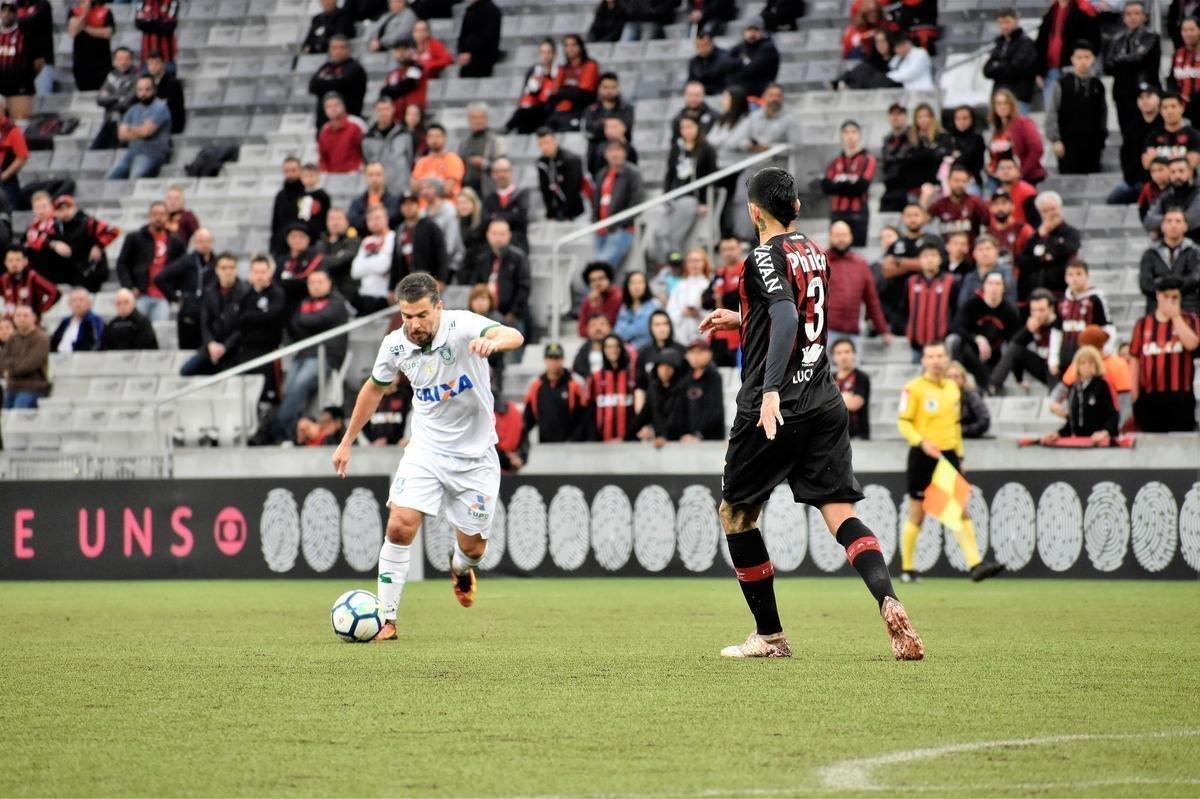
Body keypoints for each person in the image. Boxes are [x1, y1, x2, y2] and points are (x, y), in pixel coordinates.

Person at [696, 166, 924, 660]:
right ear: (795, 208)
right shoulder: (813, 251)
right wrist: (742, 319)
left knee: (736, 513)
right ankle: (887, 598)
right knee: (841, 513)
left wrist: (771, 389)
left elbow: (784, 314)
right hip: (823, 399)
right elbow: (797, 313)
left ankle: (771, 636)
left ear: (754, 211)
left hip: (773, 406)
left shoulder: (761, 254)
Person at [333, 273, 523, 635]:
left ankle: (460, 566)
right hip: (426, 451)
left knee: (474, 548)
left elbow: (513, 335)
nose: (414, 324)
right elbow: (374, 390)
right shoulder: (394, 345)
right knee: (400, 525)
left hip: (476, 458)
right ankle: (386, 620)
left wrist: (493, 343)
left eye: (422, 315)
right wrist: (346, 441)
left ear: (439, 307)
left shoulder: (463, 324)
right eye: (407, 316)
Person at [896, 340, 1004, 584]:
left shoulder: (953, 389)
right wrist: (921, 441)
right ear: (923, 361)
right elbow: (903, 422)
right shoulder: (913, 388)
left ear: (946, 359)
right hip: (922, 456)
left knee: (960, 509)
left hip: (949, 455)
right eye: (930, 356)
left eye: (939, 356)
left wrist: (960, 455)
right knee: (917, 514)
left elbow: (955, 426)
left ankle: (975, 565)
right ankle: (908, 568)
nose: (935, 361)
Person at [255, 269, 350, 445]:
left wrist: (306, 320)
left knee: (299, 387)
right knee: (288, 390)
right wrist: (306, 321)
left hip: (326, 355)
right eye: (311, 282)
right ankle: (289, 431)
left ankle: (280, 430)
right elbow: (295, 324)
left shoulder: (337, 303)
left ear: (329, 283)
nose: (315, 286)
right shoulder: (305, 302)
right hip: (304, 354)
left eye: (319, 281)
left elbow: (315, 320)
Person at [1129, 276, 1200, 432]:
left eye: (1174, 297)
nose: (1170, 301)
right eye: (1166, 296)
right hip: (1150, 396)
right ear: (1157, 296)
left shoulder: (1191, 320)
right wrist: (1133, 392)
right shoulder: (1142, 324)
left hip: (1180, 395)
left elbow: (1192, 344)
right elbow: (1134, 358)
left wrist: (1175, 316)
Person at [115, 201, 185, 322]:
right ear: (149, 216)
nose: (158, 218)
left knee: (159, 333)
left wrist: (174, 292)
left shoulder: (176, 241)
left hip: (164, 296)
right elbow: (122, 264)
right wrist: (130, 287)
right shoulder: (134, 238)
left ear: (167, 217)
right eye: (155, 214)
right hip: (141, 294)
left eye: (162, 214)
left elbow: (182, 267)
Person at [824, 221, 889, 350]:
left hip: (853, 332)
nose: (841, 239)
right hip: (826, 332)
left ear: (851, 237)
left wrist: (883, 330)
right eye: (837, 235)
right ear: (830, 237)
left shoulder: (861, 264)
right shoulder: (820, 262)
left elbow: (872, 301)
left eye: (844, 235)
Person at [880, 203, 943, 336]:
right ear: (903, 218)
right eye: (908, 215)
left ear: (924, 217)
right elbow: (887, 270)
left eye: (916, 215)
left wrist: (900, 262)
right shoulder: (897, 244)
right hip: (900, 303)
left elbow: (933, 265)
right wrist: (917, 264)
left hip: (929, 299)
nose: (912, 219)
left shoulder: (934, 240)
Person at [1045, 41, 1107, 175]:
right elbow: (1052, 112)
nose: (1083, 61)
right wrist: (1055, 140)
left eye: (1087, 57)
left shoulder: (1098, 85)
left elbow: (1103, 113)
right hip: (1067, 144)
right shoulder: (1061, 83)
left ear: (1093, 59)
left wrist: (1102, 139)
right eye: (1079, 57)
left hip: (1092, 145)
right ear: (1072, 59)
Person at [180, 253, 246, 376]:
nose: (228, 272)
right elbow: (204, 323)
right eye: (224, 268)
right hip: (210, 347)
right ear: (217, 270)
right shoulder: (209, 291)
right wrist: (210, 344)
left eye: (231, 268)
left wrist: (224, 347)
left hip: (233, 350)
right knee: (187, 370)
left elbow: (241, 328)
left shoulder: (243, 292)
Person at [1105, 2, 1160, 145]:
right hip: (1122, 92)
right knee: (1127, 134)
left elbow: (1141, 60)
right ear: (1123, 18)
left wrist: (1121, 60)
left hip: (1144, 92)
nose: (1132, 17)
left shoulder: (1151, 37)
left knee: (1147, 134)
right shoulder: (1116, 39)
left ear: (1144, 16)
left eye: (1136, 13)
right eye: (1128, 14)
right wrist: (1127, 60)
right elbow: (1108, 66)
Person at [463, 219, 531, 335]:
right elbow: (475, 285)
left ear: (509, 235)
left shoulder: (518, 258)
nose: (498, 238)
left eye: (502, 234)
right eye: (495, 234)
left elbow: (524, 287)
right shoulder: (482, 259)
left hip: (512, 316)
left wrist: (514, 313)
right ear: (488, 235)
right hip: (485, 316)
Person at [953, 271, 1019, 389]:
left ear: (1004, 288)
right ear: (983, 286)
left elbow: (1014, 342)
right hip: (969, 353)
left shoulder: (1009, 311)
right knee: (953, 340)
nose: (993, 287)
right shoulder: (972, 304)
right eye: (990, 283)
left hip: (993, 357)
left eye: (998, 284)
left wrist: (1019, 377)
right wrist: (977, 338)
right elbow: (957, 327)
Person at [987, 288, 1060, 393]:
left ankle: (1056, 394)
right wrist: (1027, 331)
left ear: (1051, 309)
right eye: (1034, 310)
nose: (1037, 314)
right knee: (1015, 348)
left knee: (1053, 363)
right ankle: (992, 386)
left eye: (1041, 310)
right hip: (1043, 368)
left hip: (1059, 369)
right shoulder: (1033, 324)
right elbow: (1014, 346)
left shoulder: (1060, 323)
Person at [1042, 345, 1117, 445]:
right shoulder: (1073, 388)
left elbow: (1113, 415)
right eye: (1083, 363)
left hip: (1098, 441)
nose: (1087, 366)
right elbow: (1072, 422)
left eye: (1091, 363)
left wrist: (1105, 432)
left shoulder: (1102, 385)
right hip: (1080, 441)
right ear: (1077, 366)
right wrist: (1058, 433)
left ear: (1096, 365)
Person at [153, 227, 213, 350]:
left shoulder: (217, 263)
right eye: (201, 241)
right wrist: (176, 299)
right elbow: (160, 278)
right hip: (189, 315)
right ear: (195, 243)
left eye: (207, 241)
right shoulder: (187, 261)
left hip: (211, 315)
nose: (205, 245)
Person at [1034, 0, 1101, 109]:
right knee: (1052, 113)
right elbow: (1041, 44)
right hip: (1051, 72)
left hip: (1074, 70)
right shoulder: (1051, 12)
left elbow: (1093, 42)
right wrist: (1039, 71)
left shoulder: (1084, 11)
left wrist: (1082, 62)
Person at [1017, 191, 1079, 302]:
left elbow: (1065, 250)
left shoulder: (1071, 233)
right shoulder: (1036, 236)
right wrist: (1041, 238)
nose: (1050, 214)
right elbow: (1022, 261)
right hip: (1035, 292)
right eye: (1045, 211)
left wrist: (1042, 255)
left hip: (1061, 292)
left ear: (1060, 208)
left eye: (1053, 209)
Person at [821, 120, 876, 247]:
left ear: (859, 135)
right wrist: (848, 184)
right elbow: (826, 187)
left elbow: (861, 187)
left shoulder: (868, 159)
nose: (850, 136)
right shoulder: (835, 162)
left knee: (857, 252)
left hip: (858, 214)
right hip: (837, 213)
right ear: (841, 136)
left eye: (853, 132)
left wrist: (839, 184)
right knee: (835, 252)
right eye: (846, 132)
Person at [106, 75, 170, 180]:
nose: (143, 93)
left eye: (147, 89)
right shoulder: (133, 110)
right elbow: (121, 135)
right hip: (131, 153)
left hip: (152, 154)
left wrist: (130, 129)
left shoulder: (160, 107)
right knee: (109, 178)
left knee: (134, 178)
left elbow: (146, 132)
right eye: (140, 90)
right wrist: (140, 129)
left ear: (154, 90)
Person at [523, 341, 588, 442]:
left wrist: (575, 439)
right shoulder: (536, 385)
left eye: (557, 358)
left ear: (563, 360)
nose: (554, 362)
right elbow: (529, 416)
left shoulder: (575, 383)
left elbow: (583, 416)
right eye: (551, 358)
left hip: (571, 444)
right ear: (545, 360)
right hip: (545, 444)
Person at [592, 141, 643, 268]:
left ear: (624, 153)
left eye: (618, 150)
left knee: (602, 267)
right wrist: (595, 222)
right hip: (601, 229)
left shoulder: (632, 173)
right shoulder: (601, 174)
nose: (614, 154)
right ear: (605, 154)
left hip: (621, 229)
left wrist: (619, 223)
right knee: (601, 268)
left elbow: (637, 203)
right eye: (611, 150)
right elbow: (596, 201)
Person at [904, 241, 958, 361]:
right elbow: (903, 309)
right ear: (919, 260)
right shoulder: (911, 282)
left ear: (940, 259)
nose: (930, 259)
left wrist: (949, 330)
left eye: (933, 255)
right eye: (925, 256)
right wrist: (906, 329)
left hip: (941, 343)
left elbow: (956, 310)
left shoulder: (951, 281)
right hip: (917, 344)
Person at [1140, 207, 1200, 314]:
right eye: (1169, 221)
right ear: (1162, 226)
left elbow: (1195, 278)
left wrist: (1166, 283)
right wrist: (1167, 286)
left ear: (1185, 226)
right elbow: (1145, 284)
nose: (1173, 225)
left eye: (1178, 221)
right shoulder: (1150, 253)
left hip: (1189, 310)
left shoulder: (1194, 252)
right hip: (1157, 311)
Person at [1108, 84, 1161, 205]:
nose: (1145, 101)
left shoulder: (1164, 125)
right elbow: (1125, 154)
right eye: (1141, 98)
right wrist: (1130, 177)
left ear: (1158, 98)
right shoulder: (1132, 126)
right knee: (1113, 200)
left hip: (1158, 181)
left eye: (1148, 96)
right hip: (1133, 181)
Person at [986, 90, 1045, 187]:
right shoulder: (997, 129)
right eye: (998, 103)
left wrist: (1021, 172)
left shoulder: (1023, 123)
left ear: (1012, 105)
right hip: (999, 179)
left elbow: (1037, 148)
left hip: (1023, 179)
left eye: (1006, 103)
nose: (1002, 106)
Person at [587, 332, 638, 442]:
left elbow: (637, 410)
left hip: (629, 442)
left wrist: (629, 436)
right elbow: (589, 412)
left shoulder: (632, 377)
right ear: (603, 350)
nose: (613, 350)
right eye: (609, 347)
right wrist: (594, 438)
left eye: (616, 346)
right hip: (602, 443)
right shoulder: (595, 378)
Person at [984, 7, 1038, 111]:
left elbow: (1015, 68)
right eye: (1000, 23)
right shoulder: (999, 44)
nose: (1004, 26)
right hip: (998, 99)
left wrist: (998, 65)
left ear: (1016, 20)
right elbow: (987, 71)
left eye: (1007, 22)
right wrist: (1005, 64)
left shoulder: (1026, 43)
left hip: (1017, 98)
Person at [308, 36, 367, 129]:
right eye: (334, 48)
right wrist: (332, 81)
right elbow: (312, 87)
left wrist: (325, 81)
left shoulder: (355, 68)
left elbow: (341, 85)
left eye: (341, 47)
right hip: (324, 123)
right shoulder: (326, 67)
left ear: (348, 49)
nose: (337, 51)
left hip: (348, 123)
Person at [393, 190, 448, 285]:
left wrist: (442, 279)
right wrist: (392, 286)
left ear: (418, 205)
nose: (408, 207)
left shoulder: (430, 226)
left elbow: (442, 253)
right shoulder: (400, 229)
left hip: (429, 281)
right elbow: (396, 260)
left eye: (411, 203)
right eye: (405, 204)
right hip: (407, 284)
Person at [350, 204, 396, 315]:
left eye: (378, 218)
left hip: (384, 296)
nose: (374, 222)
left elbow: (383, 265)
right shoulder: (367, 241)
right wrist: (376, 263)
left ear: (386, 219)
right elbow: (355, 271)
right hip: (364, 295)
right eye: (370, 219)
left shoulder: (393, 237)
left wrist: (365, 265)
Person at [927, 164, 990, 244]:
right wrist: (924, 197)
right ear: (948, 181)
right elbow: (925, 221)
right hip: (947, 252)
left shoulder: (975, 202)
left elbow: (988, 222)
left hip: (970, 251)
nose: (960, 185)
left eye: (963, 181)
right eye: (956, 180)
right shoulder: (940, 204)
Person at [546, 34, 598, 132]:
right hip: (560, 110)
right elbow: (555, 92)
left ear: (580, 47)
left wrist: (563, 91)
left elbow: (583, 93)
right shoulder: (563, 69)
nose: (570, 49)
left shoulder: (590, 65)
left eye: (573, 45)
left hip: (580, 109)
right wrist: (564, 92)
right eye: (567, 46)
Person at [506, 38, 558, 134]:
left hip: (549, 110)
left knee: (526, 114)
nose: (545, 56)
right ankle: (508, 128)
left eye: (548, 52)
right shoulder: (535, 70)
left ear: (554, 54)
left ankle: (507, 128)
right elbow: (528, 92)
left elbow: (554, 95)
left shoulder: (558, 72)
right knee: (524, 113)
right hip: (533, 108)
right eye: (542, 52)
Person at [361, 99, 412, 195]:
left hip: (401, 187)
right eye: (380, 109)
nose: (384, 113)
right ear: (375, 111)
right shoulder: (367, 138)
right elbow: (367, 161)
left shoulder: (405, 134)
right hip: (379, 190)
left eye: (387, 109)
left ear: (393, 109)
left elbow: (409, 159)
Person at [0, 303, 47, 407]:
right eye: (18, 315)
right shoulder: (13, 337)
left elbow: (31, 364)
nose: (22, 319)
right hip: (12, 386)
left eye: (26, 315)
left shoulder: (41, 338)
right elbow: (3, 360)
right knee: (4, 418)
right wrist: (10, 366)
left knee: (18, 412)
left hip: (32, 387)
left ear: (34, 317)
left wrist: (10, 369)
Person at [90, 45, 136, 150]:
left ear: (131, 61)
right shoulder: (110, 77)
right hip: (109, 122)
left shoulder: (136, 79)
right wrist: (118, 97)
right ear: (114, 61)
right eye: (120, 59)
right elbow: (99, 100)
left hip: (126, 123)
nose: (123, 62)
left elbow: (126, 103)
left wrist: (110, 99)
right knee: (94, 150)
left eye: (126, 59)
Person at [481, 158, 529, 254]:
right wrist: (510, 215)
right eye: (497, 172)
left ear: (510, 172)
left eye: (504, 171)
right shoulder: (489, 198)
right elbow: (485, 219)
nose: (500, 175)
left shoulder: (521, 195)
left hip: (518, 245)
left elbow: (521, 217)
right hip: (493, 249)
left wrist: (495, 216)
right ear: (493, 175)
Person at [535, 128, 585, 221]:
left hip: (574, 212)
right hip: (555, 211)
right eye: (540, 144)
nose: (544, 147)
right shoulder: (541, 163)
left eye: (547, 143)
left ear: (554, 141)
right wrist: (550, 214)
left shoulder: (571, 160)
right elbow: (544, 189)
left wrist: (565, 215)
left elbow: (573, 190)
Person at [1142, 91, 1200, 169]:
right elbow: (1147, 164)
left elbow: (1192, 163)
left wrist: (1160, 160)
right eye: (1165, 107)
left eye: (1173, 106)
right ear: (1160, 111)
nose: (1169, 111)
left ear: (1182, 108)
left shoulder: (1194, 135)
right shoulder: (1153, 136)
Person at [666, 247, 712, 345]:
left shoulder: (709, 286)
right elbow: (670, 311)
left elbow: (714, 312)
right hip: (681, 337)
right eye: (691, 261)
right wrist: (682, 312)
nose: (694, 264)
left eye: (698, 261)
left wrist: (699, 313)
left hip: (704, 338)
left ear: (704, 263)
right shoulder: (679, 287)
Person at [458, 105, 505, 198]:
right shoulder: (464, 142)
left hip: (488, 189)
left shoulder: (494, 141)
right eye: (474, 117)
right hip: (468, 190)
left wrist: (484, 163)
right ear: (469, 120)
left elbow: (503, 165)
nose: (477, 121)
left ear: (486, 119)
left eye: (481, 117)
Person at [67, 0, 114, 93]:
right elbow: (73, 31)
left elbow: (107, 33)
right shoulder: (74, 12)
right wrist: (84, 13)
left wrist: (85, 28)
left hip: (102, 62)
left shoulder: (106, 12)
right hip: (81, 62)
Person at [727, 18, 779, 98]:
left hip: (760, 90)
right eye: (749, 30)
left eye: (756, 30)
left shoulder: (768, 48)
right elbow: (725, 63)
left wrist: (735, 70)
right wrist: (741, 62)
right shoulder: (741, 46)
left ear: (762, 32)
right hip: (742, 88)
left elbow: (752, 69)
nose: (752, 33)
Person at [959, 234, 1016, 307]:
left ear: (996, 252)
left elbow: (1010, 302)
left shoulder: (1006, 273)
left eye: (988, 249)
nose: (984, 253)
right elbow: (962, 304)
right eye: (980, 249)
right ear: (974, 254)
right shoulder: (969, 278)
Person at [0, 244, 55, 318]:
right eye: (10, 260)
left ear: (25, 261)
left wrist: (41, 310)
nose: (14, 264)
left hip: (30, 321)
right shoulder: (3, 279)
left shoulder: (32, 277)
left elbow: (54, 292)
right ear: (5, 263)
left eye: (18, 260)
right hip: (11, 322)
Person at [831, 337, 870, 440]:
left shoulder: (861, 377)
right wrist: (844, 397)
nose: (843, 356)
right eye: (839, 353)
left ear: (854, 354)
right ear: (833, 357)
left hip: (857, 435)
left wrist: (831, 400)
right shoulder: (829, 379)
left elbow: (854, 404)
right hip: (835, 435)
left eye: (847, 352)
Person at [411, 124, 465, 197]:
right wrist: (438, 184)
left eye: (438, 136)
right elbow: (414, 188)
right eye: (431, 136)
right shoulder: (421, 161)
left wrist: (424, 185)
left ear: (445, 137)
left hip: (446, 205)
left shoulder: (453, 159)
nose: (434, 140)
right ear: (426, 139)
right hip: (424, 206)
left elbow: (447, 189)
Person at [318, 207, 360, 300]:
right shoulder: (320, 242)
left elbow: (343, 260)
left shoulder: (353, 241)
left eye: (339, 219)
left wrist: (326, 260)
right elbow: (317, 262)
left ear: (347, 221)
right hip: (324, 294)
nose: (335, 222)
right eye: (332, 219)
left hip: (347, 294)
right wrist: (337, 257)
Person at [16, 0, 53, 99]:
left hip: (42, 61)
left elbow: (33, 22)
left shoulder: (43, 5)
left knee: (42, 100)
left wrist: (14, 20)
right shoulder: (17, 6)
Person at [48, 287, 103, 353]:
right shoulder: (65, 322)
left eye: (81, 300)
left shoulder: (93, 321)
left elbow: (93, 344)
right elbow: (54, 342)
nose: (78, 304)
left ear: (89, 303)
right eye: (74, 300)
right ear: (69, 304)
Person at [614, 271, 659, 350]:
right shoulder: (624, 308)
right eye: (633, 283)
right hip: (626, 351)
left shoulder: (654, 305)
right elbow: (619, 334)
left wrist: (629, 329)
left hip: (649, 349)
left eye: (640, 282)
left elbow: (644, 329)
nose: (636, 286)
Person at [456, 0, 501, 77]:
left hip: (483, 57)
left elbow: (487, 36)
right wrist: (462, 51)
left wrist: (470, 53)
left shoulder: (491, 10)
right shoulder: (469, 10)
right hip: (467, 59)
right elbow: (462, 35)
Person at [142, 50, 184, 134]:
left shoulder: (173, 83)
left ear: (163, 64)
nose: (153, 66)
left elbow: (172, 107)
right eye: (150, 64)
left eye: (156, 63)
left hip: (169, 123)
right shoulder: (145, 81)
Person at [879, 102, 911, 213]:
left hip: (908, 189)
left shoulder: (913, 137)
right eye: (892, 114)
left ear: (905, 116)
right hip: (890, 188)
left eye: (899, 113)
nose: (895, 117)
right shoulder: (887, 140)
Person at [947, 360, 991, 439]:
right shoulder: (938, 396)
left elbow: (984, 421)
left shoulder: (972, 396)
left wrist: (960, 430)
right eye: (949, 377)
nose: (952, 380)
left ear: (963, 379)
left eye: (956, 376)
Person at [993, 156, 1041, 227]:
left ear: (1018, 171)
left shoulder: (1028, 193)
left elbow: (1036, 223)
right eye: (1001, 168)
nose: (1005, 171)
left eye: (1009, 168)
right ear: (996, 173)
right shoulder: (996, 193)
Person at [1169, 16, 1200, 126]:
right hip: (1183, 108)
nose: (1187, 33)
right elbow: (1171, 80)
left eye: (1191, 30)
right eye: (1184, 30)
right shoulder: (1178, 54)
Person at [948, 106, 986, 189]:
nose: (961, 122)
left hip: (972, 180)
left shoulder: (977, 138)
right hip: (950, 181)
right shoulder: (949, 138)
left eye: (965, 118)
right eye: (958, 119)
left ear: (971, 119)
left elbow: (971, 158)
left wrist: (956, 157)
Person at [689, 30, 734, 95]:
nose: (701, 49)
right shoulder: (694, 61)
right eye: (698, 46)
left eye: (704, 45)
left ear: (711, 43)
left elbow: (728, 81)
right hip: (701, 94)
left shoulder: (724, 58)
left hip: (720, 91)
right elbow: (691, 81)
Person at [573, 310, 613, 377]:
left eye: (602, 324)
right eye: (593, 325)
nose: (598, 328)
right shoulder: (581, 354)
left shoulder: (621, 351)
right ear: (587, 330)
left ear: (610, 328)